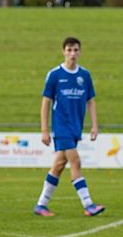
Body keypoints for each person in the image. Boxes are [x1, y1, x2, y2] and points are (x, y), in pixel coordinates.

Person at [33, 37, 105, 217]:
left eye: (75, 50)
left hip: (75, 127)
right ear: (63, 51)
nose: (72, 53)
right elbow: (45, 102)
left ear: (80, 52)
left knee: (59, 165)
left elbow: (91, 101)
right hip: (61, 126)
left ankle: (41, 205)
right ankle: (88, 205)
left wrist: (94, 125)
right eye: (69, 50)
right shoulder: (55, 75)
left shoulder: (85, 75)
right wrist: (44, 129)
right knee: (76, 161)